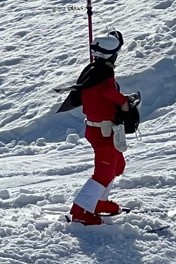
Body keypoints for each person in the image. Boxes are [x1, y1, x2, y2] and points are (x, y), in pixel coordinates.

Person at [60, 30, 140, 225]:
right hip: (102, 131)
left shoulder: (94, 71)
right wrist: (125, 102)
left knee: (117, 166)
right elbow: (108, 92)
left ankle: (98, 202)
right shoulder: (103, 75)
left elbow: (104, 94)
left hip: (104, 130)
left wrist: (122, 101)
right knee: (104, 172)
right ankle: (80, 211)